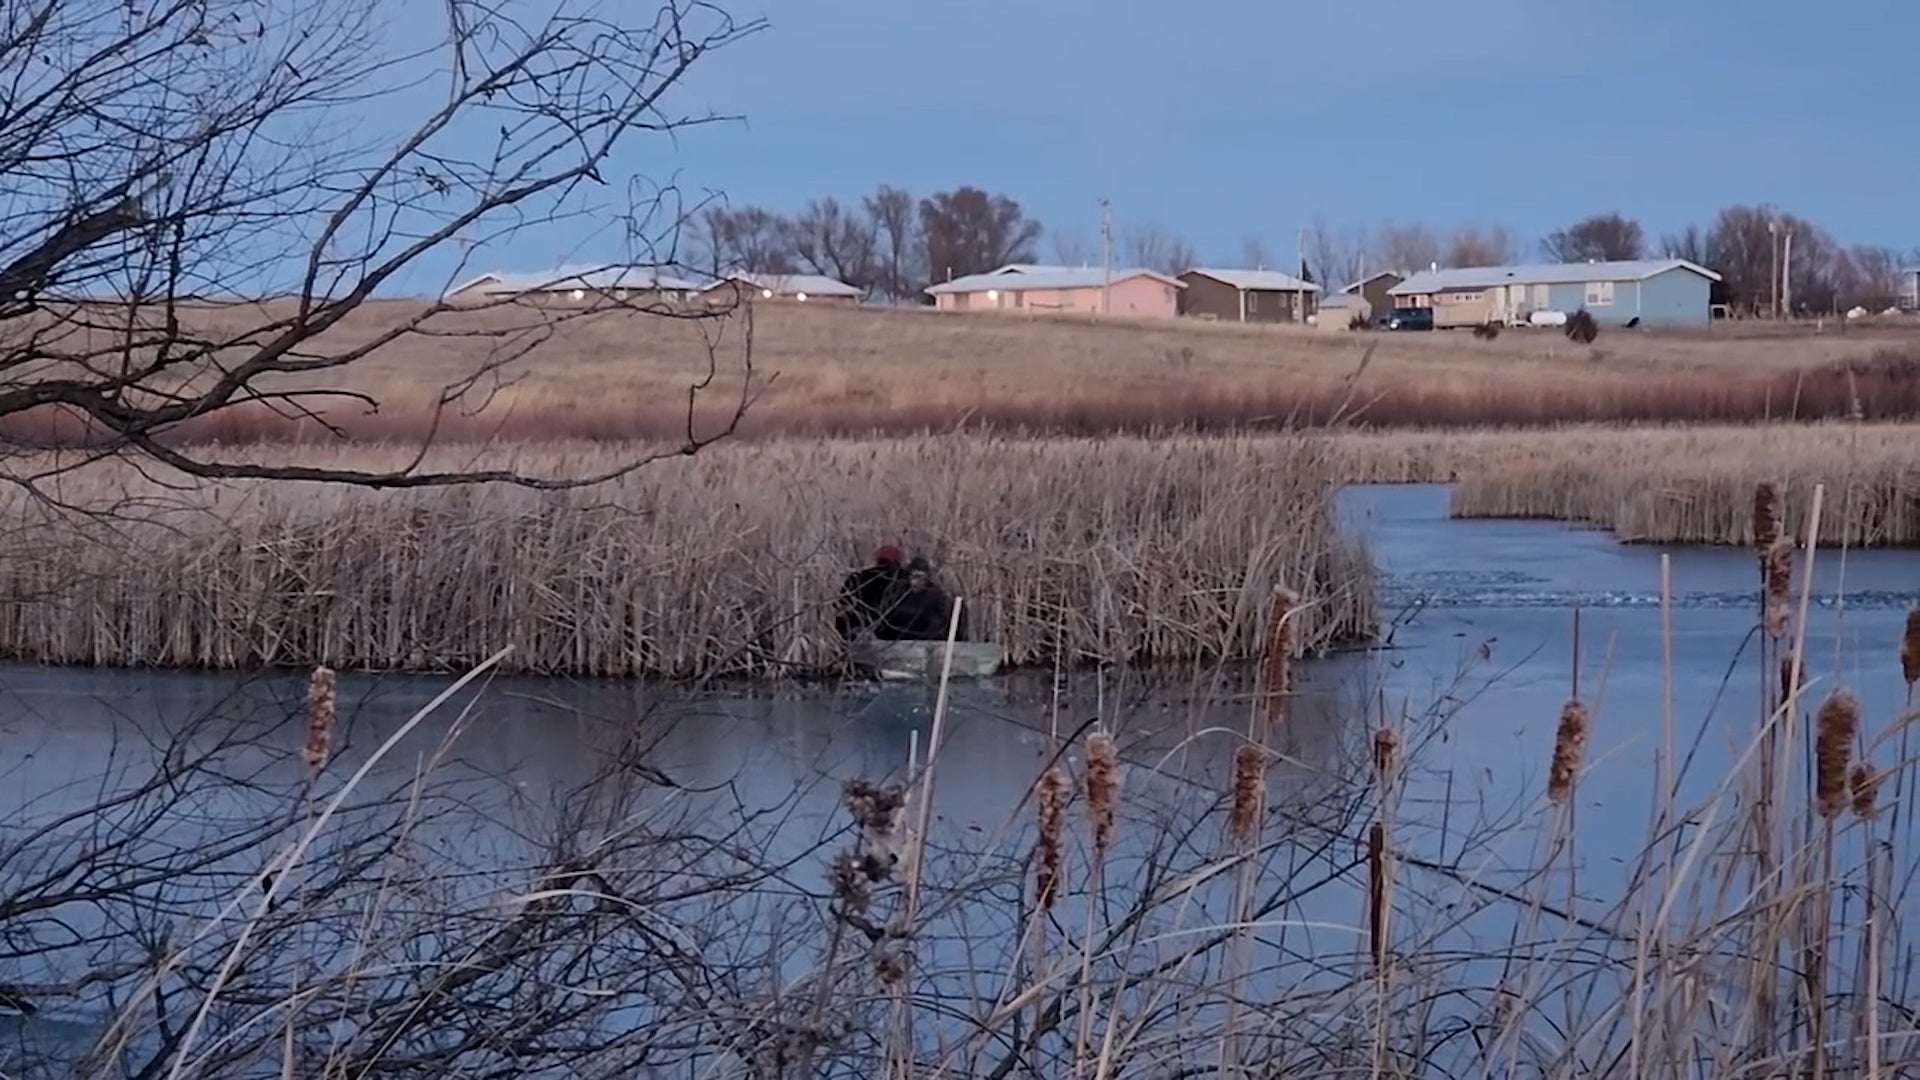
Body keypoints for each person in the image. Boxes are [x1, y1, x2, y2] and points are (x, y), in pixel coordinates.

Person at [877, 555, 966, 641]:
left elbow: (937, 626)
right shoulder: (899, 595)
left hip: (925, 643)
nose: (918, 581)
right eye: (915, 577)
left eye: (921, 577)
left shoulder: (935, 596)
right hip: (899, 641)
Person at [835, 544, 908, 642]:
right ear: (898, 561)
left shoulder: (858, 578)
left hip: (862, 635)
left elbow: (842, 605)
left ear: (877, 560)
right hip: (900, 635)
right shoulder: (906, 580)